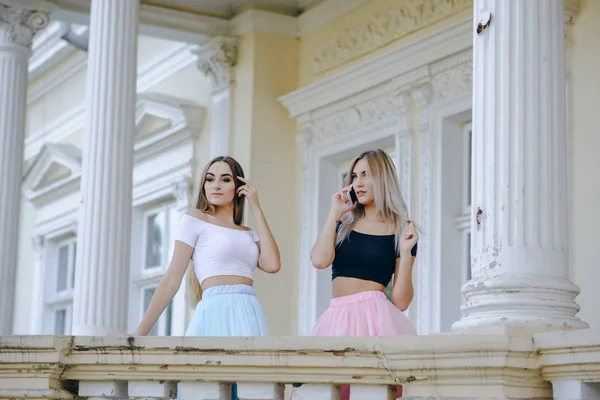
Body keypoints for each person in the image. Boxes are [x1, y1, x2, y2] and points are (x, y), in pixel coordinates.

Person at [131, 156, 281, 399]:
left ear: (239, 187)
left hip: (249, 312)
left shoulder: (248, 233)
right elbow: (171, 278)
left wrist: (257, 209)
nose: (216, 185)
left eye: (225, 179)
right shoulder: (194, 219)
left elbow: (273, 264)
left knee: (252, 391)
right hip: (215, 311)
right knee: (207, 390)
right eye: (210, 179)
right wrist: (138, 333)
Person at [310, 149, 418, 399]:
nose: (357, 183)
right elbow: (319, 260)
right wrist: (334, 213)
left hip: (375, 319)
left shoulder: (401, 229)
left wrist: (405, 251)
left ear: (382, 178)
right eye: (354, 176)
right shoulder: (344, 222)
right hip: (336, 318)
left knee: (369, 391)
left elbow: (400, 301)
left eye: (366, 175)